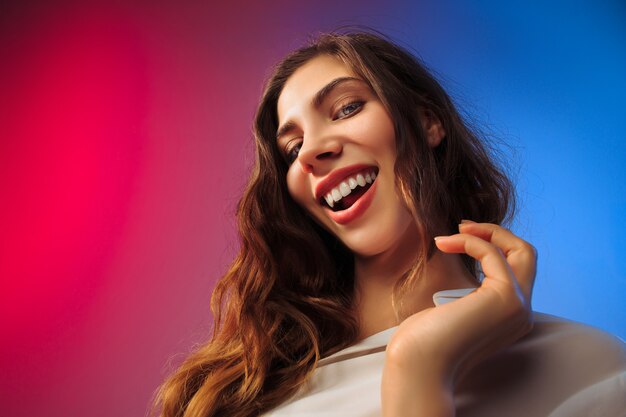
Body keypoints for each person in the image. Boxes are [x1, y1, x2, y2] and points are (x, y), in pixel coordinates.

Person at [153, 31, 626, 417]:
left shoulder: (594, 371)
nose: (315, 150)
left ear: (426, 122)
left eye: (348, 108)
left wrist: (419, 363)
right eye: (293, 149)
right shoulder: (246, 391)